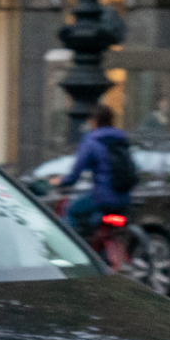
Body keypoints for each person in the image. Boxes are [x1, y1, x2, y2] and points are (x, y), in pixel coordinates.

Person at [56, 103, 134, 255]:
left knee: (70, 209)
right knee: (97, 222)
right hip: (124, 198)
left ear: (95, 121)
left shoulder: (92, 140)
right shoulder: (121, 139)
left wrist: (64, 182)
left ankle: (71, 251)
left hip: (103, 199)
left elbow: (77, 171)